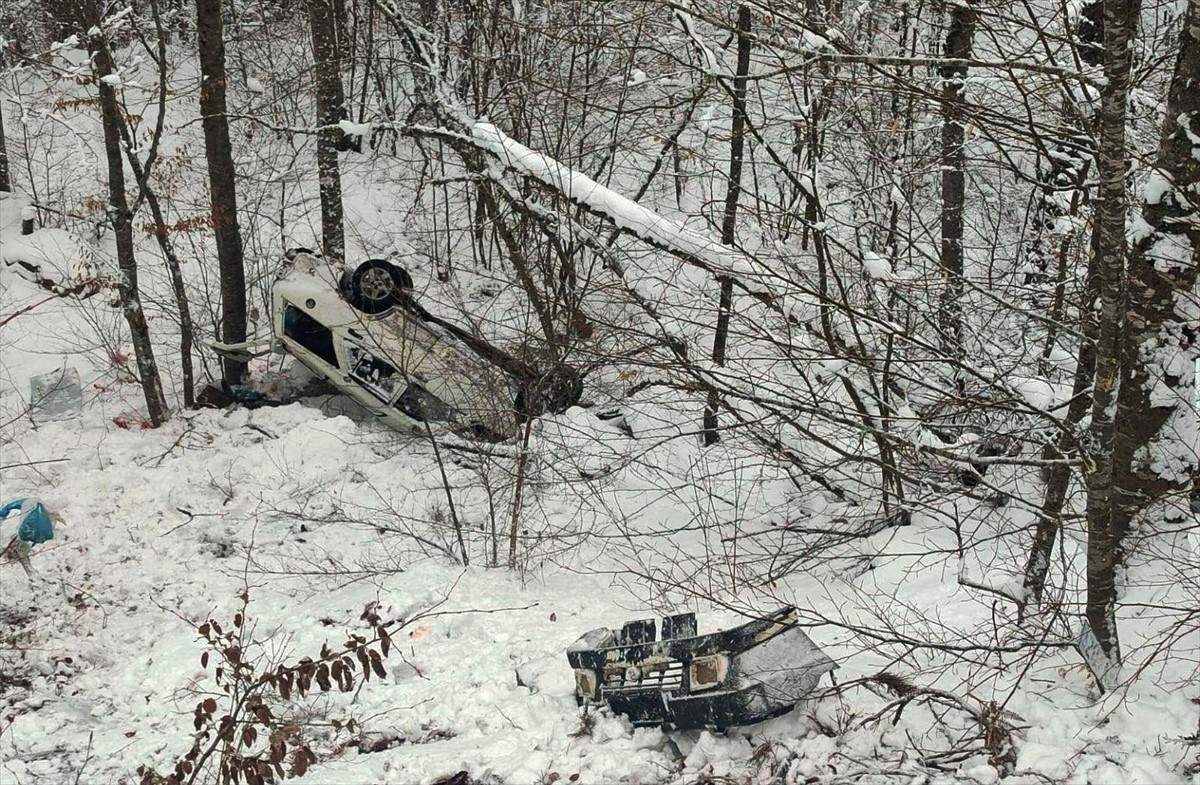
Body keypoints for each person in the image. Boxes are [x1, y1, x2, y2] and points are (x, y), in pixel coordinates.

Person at [0, 496, 55, 578]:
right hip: (45, 534)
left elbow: (8, 508)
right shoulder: (40, 505)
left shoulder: (23, 503)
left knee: (23, 542)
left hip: (28, 530)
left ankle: (21, 555)